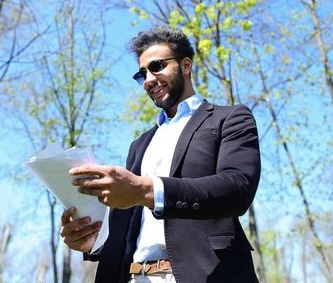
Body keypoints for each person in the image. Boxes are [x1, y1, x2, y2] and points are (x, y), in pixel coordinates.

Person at [60, 27, 261, 283]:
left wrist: (146, 190)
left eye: (157, 66)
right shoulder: (140, 144)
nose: (148, 79)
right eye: (142, 73)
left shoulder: (229, 118)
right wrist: (94, 243)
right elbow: (131, 226)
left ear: (186, 65)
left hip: (204, 275)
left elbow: (238, 188)